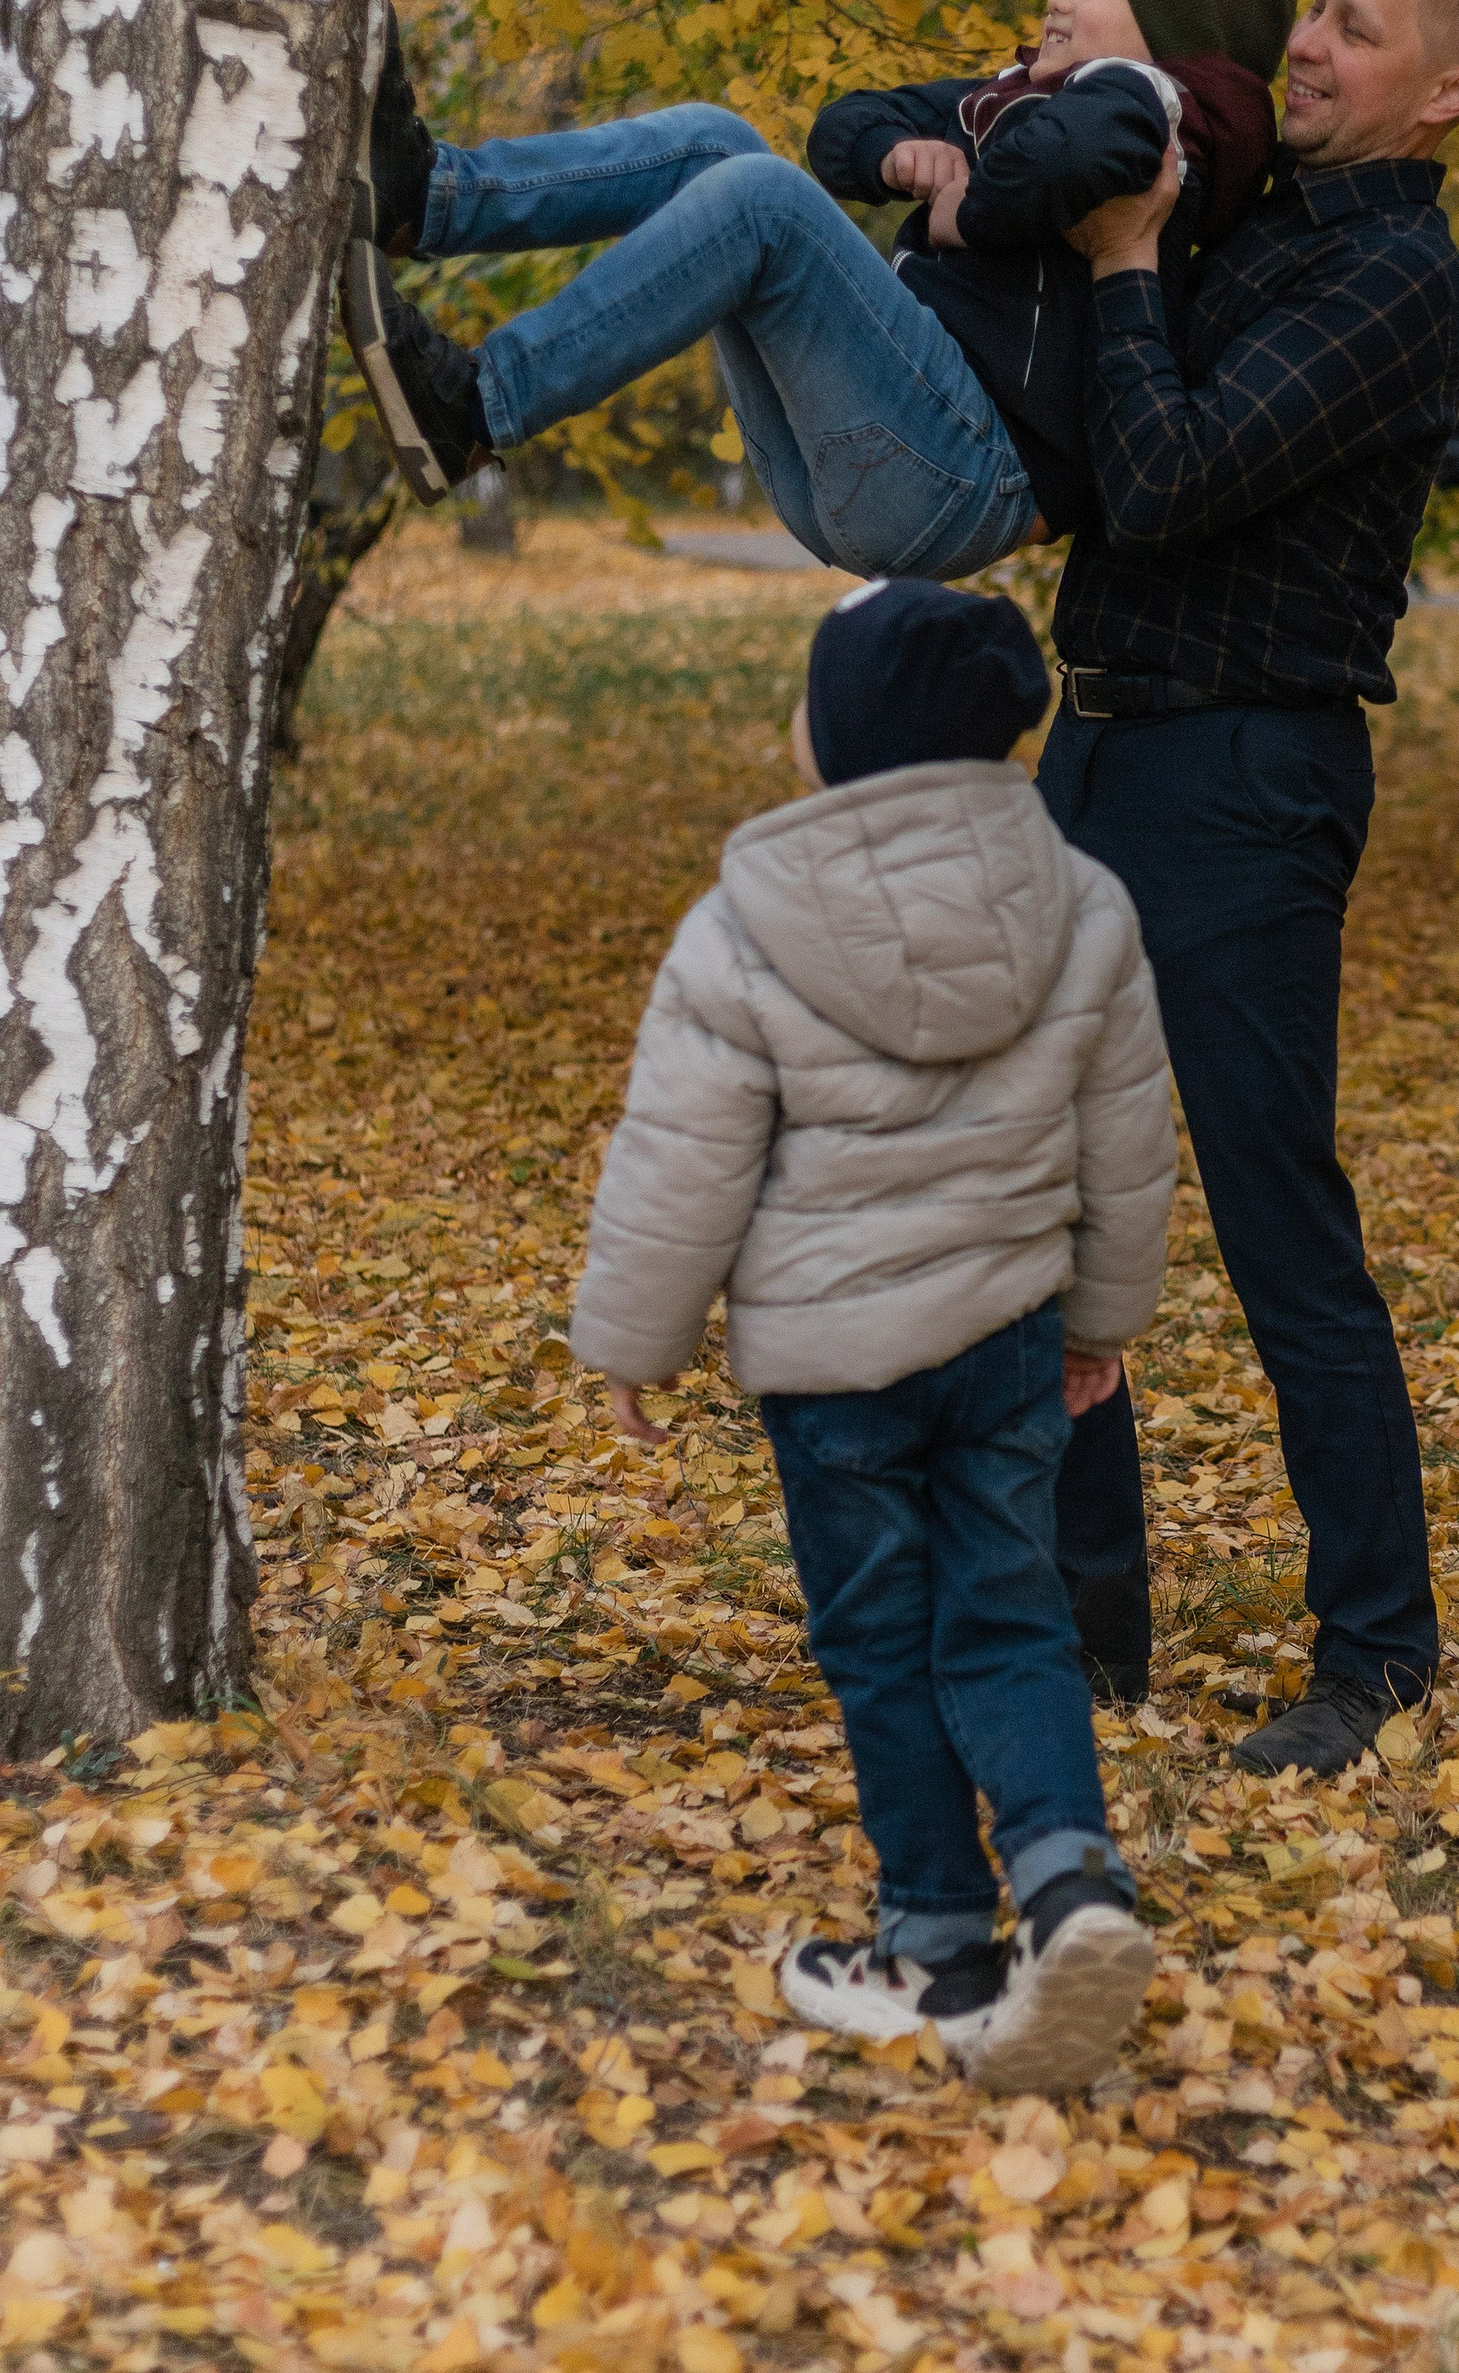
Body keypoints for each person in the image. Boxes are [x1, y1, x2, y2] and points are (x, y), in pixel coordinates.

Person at [1038, 0, 1459, 1774]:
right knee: (1041, 1200)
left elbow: (1163, 476)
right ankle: (1084, 1631)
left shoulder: (1395, 279)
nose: (1306, 45)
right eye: (1313, 11)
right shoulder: (1247, 213)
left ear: (1449, 93)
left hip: (1244, 782)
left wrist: (1116, 261)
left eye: (1351, 25)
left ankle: (1377, 1654)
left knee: (1275, 1223)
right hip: (1089, 748)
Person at [568, 578, 1178, 2090]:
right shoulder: (1084, 898)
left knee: (881, 1642)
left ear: (840, 735)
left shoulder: (747, 924)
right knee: (1011, 1609)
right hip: (1010, 1341)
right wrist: (1105, 1318)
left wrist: (636, 1339)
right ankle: (1070, 1878)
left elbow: (685, 1151)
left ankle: (932, 1940)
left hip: (835, 1371)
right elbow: (1130, 1136)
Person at [341, 0, 1291, 580]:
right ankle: (430, 201)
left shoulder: (1151, 113)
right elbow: (841, 132)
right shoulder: (1017, 94)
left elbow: (1073, 158)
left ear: (1168, 42)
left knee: (762, 203)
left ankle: (476, 406)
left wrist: (967, 211)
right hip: (884, 461)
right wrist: (890, 152)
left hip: (966, 476)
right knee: (722, 145)